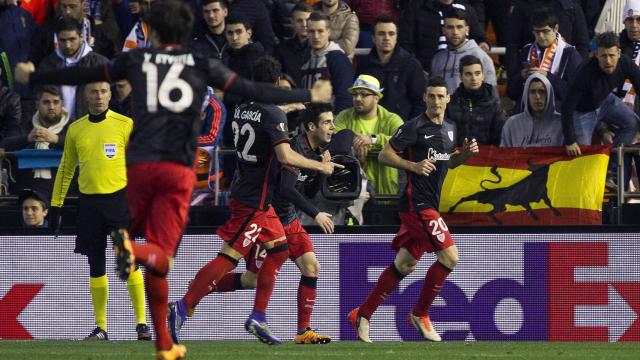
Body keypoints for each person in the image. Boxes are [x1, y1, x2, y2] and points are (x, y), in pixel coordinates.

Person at [15, 0, 333, 357]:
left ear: (150, 29)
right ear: (185, 30)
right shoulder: (199, 64)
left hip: (137, 168)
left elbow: (84, 74)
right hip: (177, 171)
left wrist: (36, 76)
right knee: (163, 257)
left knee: (156, 256)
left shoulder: (135, 60)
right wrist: (308, 94)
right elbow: (254, 89)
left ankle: (166, 340)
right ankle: (139, 258)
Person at [167, 56, 340, 346]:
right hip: (253, 200)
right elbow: (285, 156)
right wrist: (320, 166)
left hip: (251, 193)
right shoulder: (274, 116)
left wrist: (286, 108)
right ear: (275, 83)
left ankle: (258, 316)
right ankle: (183, 307)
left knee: (280, 250)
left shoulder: (242, 109)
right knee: (229, 257)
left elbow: (263, 116)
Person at [348, 76, 479, 343]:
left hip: (430, 203)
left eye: (440, 96)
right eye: (431, 96)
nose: (436, 101)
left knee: (405, 264)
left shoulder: (451, 129)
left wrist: (465, 155)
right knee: (450, 257)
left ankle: (362, 314)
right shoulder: (413, 127)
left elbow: (448, 164)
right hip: (416, 204)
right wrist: (414, 166)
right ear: (424, 98)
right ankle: (420, 314)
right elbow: (385, 155)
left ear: (448, 99)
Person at [48, 81, 151, 342]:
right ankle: (101, 327)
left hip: (118, 204)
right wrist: (56, 204)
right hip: (89, 207)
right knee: (96, 265)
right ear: (86, 95)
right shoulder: (76, 129)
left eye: (103, 91)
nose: (99, 96)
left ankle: (141, 323)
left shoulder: (124, 124)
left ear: (110, 94)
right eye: (93, 92)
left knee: (127, 263)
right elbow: (66, 169)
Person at [562, 32, 640, 161]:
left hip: (604, 100)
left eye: (611, 56)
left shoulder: (626, 63)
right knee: (582, 154)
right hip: (582, 111)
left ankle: (613, 163)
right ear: (596, 55)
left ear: (619, 54)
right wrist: (570, 140)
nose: (608, 61)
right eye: (603, 56)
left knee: (633, 123)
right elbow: (566, 107)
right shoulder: (584, 72)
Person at [335, 74, 403, 196]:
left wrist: (372, 139)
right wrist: (354, 145)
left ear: (376, 97)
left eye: (364, 94)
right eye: (355, 94)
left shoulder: (392, 120)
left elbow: (402, 140)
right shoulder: (343, 117)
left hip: (387, 192)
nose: (358, 98)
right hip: (352, 193)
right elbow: (336, 138)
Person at [1, 86, 71, 196]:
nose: (51, 107)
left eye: (56, 102)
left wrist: (57, 139)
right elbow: (4, 145)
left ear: (62, 104)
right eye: (46, 102)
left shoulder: (73, 127)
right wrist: (27, 139)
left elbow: (84, 145)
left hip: (66, 195)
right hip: (27, 194)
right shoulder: (25, 126)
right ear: (37, 105)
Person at [507, 7, 582, 109]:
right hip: (527, 112)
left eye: (545, 31)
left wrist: (547, 76)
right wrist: (521, 77)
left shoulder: (570, 54)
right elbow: (511, 93)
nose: (541, 36)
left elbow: (576, 94)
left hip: (557, 112)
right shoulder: (526, 51)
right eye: (537, 32)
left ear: (555, 29)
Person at [355, 15, 426, 121]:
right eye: (381, 34)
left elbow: (420, 103)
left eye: (391, 34)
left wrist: (409, 129)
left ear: (397, 37)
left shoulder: (411, 65)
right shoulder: (364, 66)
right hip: (369, 129)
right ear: (373, 38)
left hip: (402, 130)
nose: (387, 38)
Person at [39, 17, 108, 120]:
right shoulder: (47, 65)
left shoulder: (100, 63)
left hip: (91, 127)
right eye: (62, 40)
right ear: (57, 39)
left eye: (72, 39)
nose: (67, 45)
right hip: (57, 129)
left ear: (81, 37)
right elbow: (39, 99)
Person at [430, 8, 498, 97]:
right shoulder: (438, 59)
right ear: (443, 30)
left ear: (467, 29)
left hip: (472, 110)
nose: (455, 32)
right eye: (450, 27)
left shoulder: (481, 57)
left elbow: (492, 97)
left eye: (459, 27)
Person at [301, 12, 354, 113]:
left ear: (328, 32)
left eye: (320, 31)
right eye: (311, 31)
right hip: (307, 119)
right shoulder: (304, 56)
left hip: (329, 121)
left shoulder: (338, 59)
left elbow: (345, 97)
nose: (316, 36)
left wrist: (335, 122)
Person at [446, 55, 504, 147]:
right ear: (461, 76)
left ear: (483, 76)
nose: (474, 78)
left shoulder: (493, 104)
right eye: (468, 74)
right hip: (457, 157)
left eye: (477, 73)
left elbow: (499, 139)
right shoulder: (450, 104)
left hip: (486, 158)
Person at [501, 73, 564, 147]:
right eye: (533, 92)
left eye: (542, 91)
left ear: (550, 95)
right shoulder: (512, 124)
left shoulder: (562, 124)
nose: (537, 96)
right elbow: (504, 154)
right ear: (526, 95)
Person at [274, 1, 312, 87]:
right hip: (289, 98)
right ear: (292, 22)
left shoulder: (325, 50)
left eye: (307, 20)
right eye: (299, 21)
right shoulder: (280, 50)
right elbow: (276, 80)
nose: (304, 24)